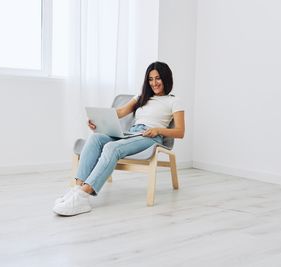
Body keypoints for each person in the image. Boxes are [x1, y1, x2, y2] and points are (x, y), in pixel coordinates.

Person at [53, 61, 185, 216]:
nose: (154, 83)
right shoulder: (142, 97)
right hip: (133, 133)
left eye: (158, 78)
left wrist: (157, 130)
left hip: (151, 138)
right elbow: (121, 111)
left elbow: (180, 132)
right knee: (96, 138)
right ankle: (76, 189)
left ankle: (83, 196)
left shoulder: (174, 101)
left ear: (166, 78)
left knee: (111, 148)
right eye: (150, 79)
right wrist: (98, 120)